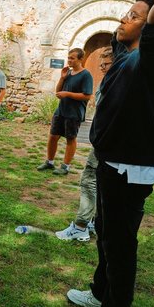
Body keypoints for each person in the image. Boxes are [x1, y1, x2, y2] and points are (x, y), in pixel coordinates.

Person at [67, 0, 154, 307]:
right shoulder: (127, 58)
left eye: (133, 16)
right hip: (110, 162)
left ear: (149, 27)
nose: (123, 19)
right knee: (105, 233)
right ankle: (100, 294)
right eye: (125, 14)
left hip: (130, 168)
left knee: (120, 245)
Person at [55, 47, 113, 242]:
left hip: (106, 142)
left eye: (106, 63)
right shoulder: (111, 81)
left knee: (89, 180)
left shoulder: (117, 83)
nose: (102, 67)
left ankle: (80, 226)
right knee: (101, 183)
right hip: (102, 140)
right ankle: (94, 222)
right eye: (101, 63)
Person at [37, 48, 93, 175]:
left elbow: (87, 95)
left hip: (74, 113)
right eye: (68, 58)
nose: (69, 60)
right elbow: (58, 91)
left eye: (72, 58)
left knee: (70, 138)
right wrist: (62, 78)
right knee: (53, 136)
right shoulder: (67, 73)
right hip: (61, 110)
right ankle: (49, 162)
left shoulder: (86, 75)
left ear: (80, 59)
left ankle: (65, 167)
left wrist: (67, 94)